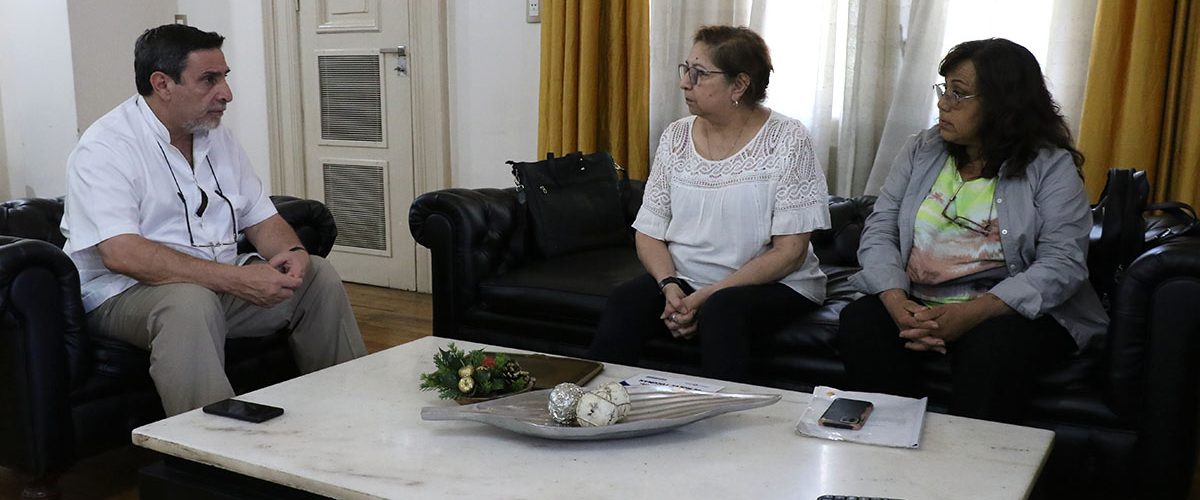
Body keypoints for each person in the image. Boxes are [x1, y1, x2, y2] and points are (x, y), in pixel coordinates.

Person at [61, 24, 367, 416]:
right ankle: (211, 445)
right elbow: (122, 254)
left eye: (224, 77)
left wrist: (292, 252)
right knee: (188, 303)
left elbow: (261, 217)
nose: (226, 93)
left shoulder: (216, 136)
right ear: (162, 84)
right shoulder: (106, 147)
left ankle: (349, 414)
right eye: (209, 80)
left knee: (316, 277)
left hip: (213, 282)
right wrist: (236, 279)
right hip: (123, 294)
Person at [838, 38, 1108, 423]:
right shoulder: (921, 149)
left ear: (1002, 104)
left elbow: (1063, 262)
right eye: (944, 90)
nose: (943, 104)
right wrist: (897, 303)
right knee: (862, 321)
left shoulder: (1049, 166)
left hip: (1006, 310)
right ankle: (886, 448)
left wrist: (971, 314)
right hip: (917, 302)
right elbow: (880, 229)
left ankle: (967, 460)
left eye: (959, 94)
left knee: (993, 345)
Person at [587, 26, 831, 382]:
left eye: (699, 74)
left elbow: (790, 252)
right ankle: (594, 405)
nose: (684, 83)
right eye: (686, 69)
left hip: (774, 284)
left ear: (739, 85)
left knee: (722, 311)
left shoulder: (788, 138)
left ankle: (723, 418)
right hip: (684, 279)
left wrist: (705, 297)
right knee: (626, 301)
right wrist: (669, 286)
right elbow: (649, 231)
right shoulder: (676, 136)